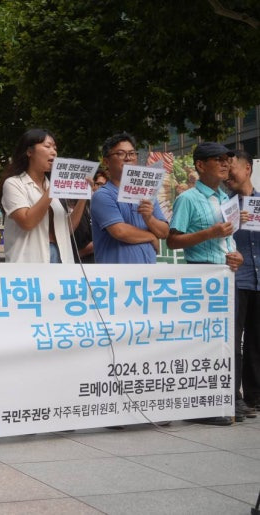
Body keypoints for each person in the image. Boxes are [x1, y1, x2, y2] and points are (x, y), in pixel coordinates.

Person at [167, 142, 243, 426]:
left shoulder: (226, 198)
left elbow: (228, 240)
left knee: (225, 342)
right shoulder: (187, 199)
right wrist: (209, 233)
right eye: (218, 159)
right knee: (203, 343)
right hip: (200, 275)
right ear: (200, 165)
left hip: (226, 275)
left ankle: (222, 400)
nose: (225, 163)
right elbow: (172, 240)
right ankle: (198, 407)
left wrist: (237, 255)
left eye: (227, 159)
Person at [0, 129, 87, 263]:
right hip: (29, 260)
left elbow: (67, 229)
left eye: (55, 148)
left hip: (61, 256)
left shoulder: (51, 186)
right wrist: (53, 189)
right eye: (47, 146)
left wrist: (84, 196)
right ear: (29, 152)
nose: (54, 152)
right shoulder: (13, 184)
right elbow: (27, 222)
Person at [91, 132, 169, 264]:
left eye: (132, 153)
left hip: (148, 273)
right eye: (120, 153)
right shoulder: (103, 195)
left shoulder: (147, 193)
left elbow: (164, 232)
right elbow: (120, 231)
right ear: (106, 161)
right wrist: (151, 236)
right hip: (117, 274)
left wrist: (149, 218)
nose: (128, 158)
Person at [223, 149, 259, 420]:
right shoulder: (225, 206)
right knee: (233, 342)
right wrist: (234, 223)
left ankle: (255, 396)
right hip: (235, 279)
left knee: (257, 340)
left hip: (258, 281)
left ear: (247, 169)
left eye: (231, 167)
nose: (227, 174)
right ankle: (233, 396)